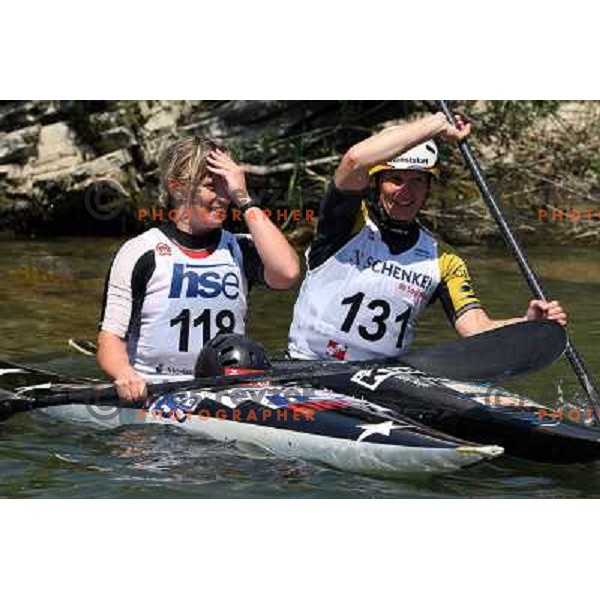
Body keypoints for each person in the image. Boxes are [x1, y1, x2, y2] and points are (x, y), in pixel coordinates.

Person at [288, 112, 567, 361]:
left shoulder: (444, 260)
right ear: (377, 183)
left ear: (428, 190)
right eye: (396, 179)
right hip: (309, 366)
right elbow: (354, 160)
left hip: (380, 380)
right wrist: (436, 124)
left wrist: (527, 324)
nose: (406, 192)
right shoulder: (346, 222)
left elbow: (476, 328)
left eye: (417, 181)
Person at [98, 137, 300, 400]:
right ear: (178, 188)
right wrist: (124, 374)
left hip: (228, 389)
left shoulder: (241, 248)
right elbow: (109, 340)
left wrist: (245, 199)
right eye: (211, 186)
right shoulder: (141, 252)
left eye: (226, 186)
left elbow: (287, 274)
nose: (224, 198)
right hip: (156, 389)